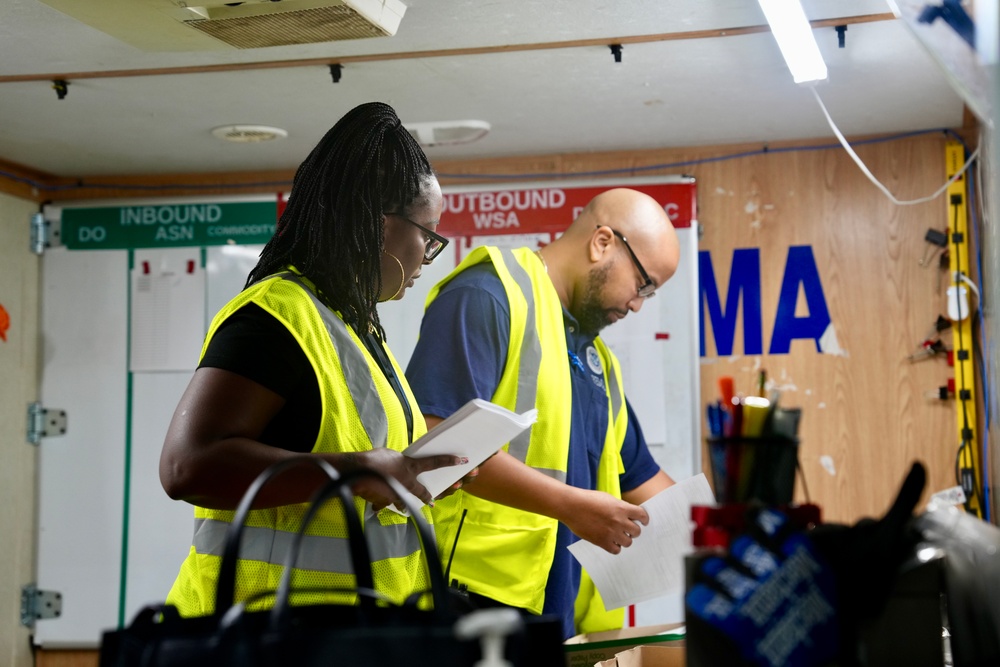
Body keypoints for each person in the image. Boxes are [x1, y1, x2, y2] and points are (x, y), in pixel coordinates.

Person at [159, 101, 465, 617]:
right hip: (257, 638)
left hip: (350, 637)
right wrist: (353, 472)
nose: (427, 257)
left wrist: (416, 471)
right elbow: (186, 467)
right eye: (428, 235)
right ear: (378, 224)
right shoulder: (276, 316)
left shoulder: (358, 327)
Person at [405, 188, 681, 638]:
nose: (637, 305)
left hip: (561, 620)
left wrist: (731, 538)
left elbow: (644, 485)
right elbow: (439, 448)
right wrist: (572, 507)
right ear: (603, 243)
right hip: (470, 607)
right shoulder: (487, 294)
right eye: (643, 285)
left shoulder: (598, 363)